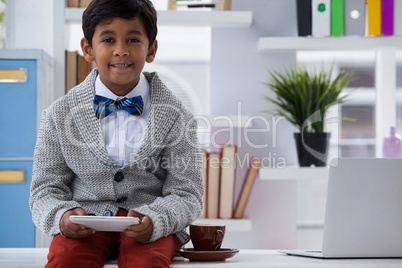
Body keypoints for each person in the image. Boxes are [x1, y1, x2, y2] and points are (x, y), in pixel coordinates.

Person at [29, 0, 204, 267]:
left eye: (133, 40)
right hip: (84, 222)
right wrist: (62, 216)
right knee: (66, 260)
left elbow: (188, 193)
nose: (121, 51)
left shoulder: (178, 118)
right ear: (88, 49)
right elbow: (44, 189)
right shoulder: (58, 115)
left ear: (151, 49)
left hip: (149, 223)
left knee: (147, 263)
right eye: (108, 39)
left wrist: (156, 220)